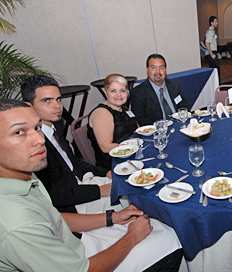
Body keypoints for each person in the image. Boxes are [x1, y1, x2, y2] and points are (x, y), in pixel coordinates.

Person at [0, 99, 183, 272]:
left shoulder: (24, 176)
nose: (39, 140)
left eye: (37, 128)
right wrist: (132, 237)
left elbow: (55, 219)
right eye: (18, 132)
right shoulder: (17, 223)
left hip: (74, 244)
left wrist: (114, 217)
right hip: (84, 262)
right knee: (174, 241)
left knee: (161, 226)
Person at [20, 75, 113, 214]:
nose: (57, 105)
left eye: (58, 99)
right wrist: (100, 191)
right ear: (29, 106)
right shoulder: (33, 145)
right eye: (46, 101)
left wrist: (106, 172)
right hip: (73, 206)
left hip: (83, 185)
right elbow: (55, 195)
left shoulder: (53, 130)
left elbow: (75, 163)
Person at [88, 74, 138, 169]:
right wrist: (133, 147)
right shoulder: (102, 113)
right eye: (113, 91)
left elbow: (137, 129)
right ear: (106, 93)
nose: (118, 94)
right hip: (114, 163)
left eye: (122, 90)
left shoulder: (124, 108)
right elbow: (106, 147)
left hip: (131, 155)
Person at [131, 54, 190, 126]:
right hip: (157, 131)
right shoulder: (138, 92)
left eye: (161, 68)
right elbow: (140, 120)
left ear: (165, 70)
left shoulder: (174, 85)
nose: (157, 72)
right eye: (153, 68)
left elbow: (184, 106)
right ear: (147, 70)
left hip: (179, 126)